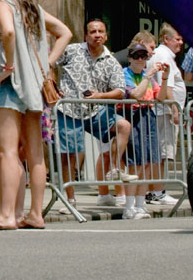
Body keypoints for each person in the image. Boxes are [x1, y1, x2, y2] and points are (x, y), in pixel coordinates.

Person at [0, 0, 72, 231]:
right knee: (35, 153)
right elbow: (65, 32)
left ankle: (7, 214)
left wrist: (8, 64)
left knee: (8, 151)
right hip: (35, 85)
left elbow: (7, 31)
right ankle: (35, 213)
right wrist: (47, 63)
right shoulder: (32, 7)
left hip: (11, 84)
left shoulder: (2, 5)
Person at [54, 19, 136, 210]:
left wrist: (101, 95)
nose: (97, 35)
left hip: (97, 110)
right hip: (70, 109)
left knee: (124, 126)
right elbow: (50, 61)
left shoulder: (111, 60)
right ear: (86, 35)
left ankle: (114, 170)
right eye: (93, 31)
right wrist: (53, 86)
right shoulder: (72, 50)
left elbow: (119, 90)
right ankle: (70, 199)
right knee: (70, 156)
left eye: (100, 31)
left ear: (106, 36)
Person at [120, 42, 169, 219]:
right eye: (136, 56)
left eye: (144, 56)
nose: (140, 60)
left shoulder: (147, 76)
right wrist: (148, 75)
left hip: (149, 115)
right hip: (134, 116)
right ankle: (129, 206)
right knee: (136, 164)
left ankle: (140, 204)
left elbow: (160, 97)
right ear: (130, 58)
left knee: (148, 162)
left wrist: (164, 78)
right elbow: (135, 95)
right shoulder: (125, 74)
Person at [145, 22, 186, 206]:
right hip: (163, 111)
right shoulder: (164, 56)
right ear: (166, 39)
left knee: (161, 153)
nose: (181, 42)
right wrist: (174, 110)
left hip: (162, 110)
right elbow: (166, 86)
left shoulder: (164, 55)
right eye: (177, 39)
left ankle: (156, 190)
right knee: (162, 153)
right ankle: (157, 192)